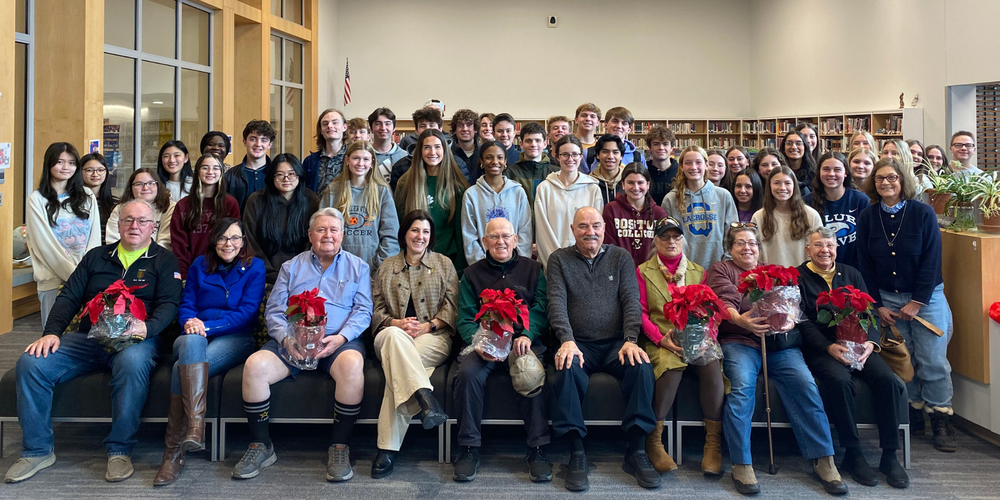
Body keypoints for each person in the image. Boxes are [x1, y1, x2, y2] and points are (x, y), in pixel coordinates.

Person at [6, 199, 182, 484]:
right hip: (89, 338)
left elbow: (170, 304)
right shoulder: (96, 256)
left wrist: (147, 329)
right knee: (31, 362)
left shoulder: (164, 260)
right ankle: (37, 450)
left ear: (153, 227)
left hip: (136, 340)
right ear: (118, 224)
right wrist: (51, 332)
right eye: (128, 220)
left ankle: (119, 449)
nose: (134, 226)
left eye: (142, 221)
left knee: (132, 362)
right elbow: (69, 297)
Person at [706, 224, 846, 496]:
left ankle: (823, 459)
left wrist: (786, 318)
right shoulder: (721, 270)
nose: (747, 248)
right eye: (740, 244)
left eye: (752, 243)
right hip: (740, 341)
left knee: (806, 386)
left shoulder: (773, 270)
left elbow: (793, 304)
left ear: (759, 248)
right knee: (741, 390)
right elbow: (725, 300)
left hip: (779, 345)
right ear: (730, 248)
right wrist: (741, 320)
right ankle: (741, 462)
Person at [234, 208, 372, 482]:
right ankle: (261, 445)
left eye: (334, 230)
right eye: (321, 230)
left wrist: (341, 338)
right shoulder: (291, 267)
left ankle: (339, 446)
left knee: (353, 365)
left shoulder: (359, 267)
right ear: (310, 235)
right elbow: (274, 311)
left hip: (337, 343)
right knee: (255, 365)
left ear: (343, 234)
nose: (328, 235)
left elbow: (363, 311)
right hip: (292, 343)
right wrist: (286, 338)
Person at [547, 207, 660, 492]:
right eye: (583, 226)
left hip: (616, 344)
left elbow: (631, 301)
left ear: (604, 228)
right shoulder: (559, 259)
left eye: (596, 225)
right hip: (578, 342)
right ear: (573, 230)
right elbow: (556, 303)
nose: (590, 232)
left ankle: (636, 451)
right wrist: (566, 340)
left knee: (642, 368)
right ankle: (576, 452)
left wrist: (631, 339)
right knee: (566, 368)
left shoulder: (621, 257)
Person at [857, 157, 956, 453]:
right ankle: (913, 413)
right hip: (887, 301)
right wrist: (876, 305)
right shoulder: (867, 216)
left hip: (926, 298)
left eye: (892, 178)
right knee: (904, 360)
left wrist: (916, 301)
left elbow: (932, 261)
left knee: (933, 361)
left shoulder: (923, 213)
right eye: (879, 179)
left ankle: (941, 416)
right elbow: (865, 264)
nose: (885, 183)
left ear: (903, 181)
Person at [154, 218, 264, 485]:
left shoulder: (254, 267)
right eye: (223, 238)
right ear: (214, 240)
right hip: (192, 335)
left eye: (235, 238)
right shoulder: (199, 265)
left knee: (186, 367)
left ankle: (173, 454)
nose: (229, 244)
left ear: (243, 241)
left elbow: (247, 312)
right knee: (191, 347)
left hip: (235, 337)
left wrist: (207, 326)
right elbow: (187, 303)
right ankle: (194, 428)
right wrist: (191, 323)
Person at [796, 227, 909, 489]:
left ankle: (890, 455)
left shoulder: (851, 273)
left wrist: (870, 342)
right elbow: (802, 321)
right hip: (824, 348)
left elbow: (870, 312)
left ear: (836, 248)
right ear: (807, 249)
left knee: (889, 381)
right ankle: (853, 453)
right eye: (818, 246)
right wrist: (828, 347)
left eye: (830, 245)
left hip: (861, 345)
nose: (825, 250)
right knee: (839, 381)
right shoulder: (800, 277)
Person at [452, 217, 552, 483]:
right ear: (484, 242)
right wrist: (480, 343)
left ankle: (538, 449)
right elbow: (464, 317)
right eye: (494, 237)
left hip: (522, 342)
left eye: (506, 236)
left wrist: (528, 336)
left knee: (530, 372)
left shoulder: (534, 270)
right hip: (484, 344)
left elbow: (541, 310)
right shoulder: (471, 274)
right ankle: (469, 448)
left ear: (516, 240)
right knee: (468, 374)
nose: (501, 242)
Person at [369, 210, 457, 478]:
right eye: (415, 230)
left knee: (399, 369)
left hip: (433, 337)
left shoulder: (444, 264)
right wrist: (396, 324)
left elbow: (452, 307)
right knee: (396, 341)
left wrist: (428, 326)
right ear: (404, 234)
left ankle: (387, 449)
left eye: (426, 232)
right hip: (389, 335)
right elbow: (375, 311)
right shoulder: (386, 266)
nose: (421, 236)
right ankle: (425, 399)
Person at [636, 217, 725, 475]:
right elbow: (640, 312)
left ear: (683, 240)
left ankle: (713, 443)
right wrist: (660, 338)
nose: (671, 242)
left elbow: (712, 311)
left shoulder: (699, 272)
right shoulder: (643, 271)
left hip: (696, 339)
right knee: (670, 364)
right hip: (661, 338)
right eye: (664, 237)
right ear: (655, 241)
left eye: (676, 237)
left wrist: (709, 334)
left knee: (711, 363)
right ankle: (654, 441)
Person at [26, 142, 102, 328]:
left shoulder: (87, 195)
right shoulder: (36, 199)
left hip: (85, 274)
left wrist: (89, 272)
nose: (66, 167)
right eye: (60, 162)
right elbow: (44, 245)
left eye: (71, 162)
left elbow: (94, 239)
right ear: (49, 164)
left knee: (86, 334)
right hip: (53, 278)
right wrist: (77, 277)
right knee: (54, 332)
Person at [395, 129, 470, 271]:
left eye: (437, 147)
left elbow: (461, 233)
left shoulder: (457, 186)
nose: (432, 152)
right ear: (419, 151)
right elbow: (399, 226)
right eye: (427, 147)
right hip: (412, 262)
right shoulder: (405, 184)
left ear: (445, 150)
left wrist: (460, 269)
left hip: (448, 262)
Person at [319, 141, 399, 273]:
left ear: (372, 163)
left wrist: (380, 266)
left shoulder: (382, 191)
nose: (360, 164)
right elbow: (322, 230)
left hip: (373, 269)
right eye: (356, 158)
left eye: (366, 159)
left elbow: (391, 235)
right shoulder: (333, 190)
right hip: (338, 269)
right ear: (347, 160)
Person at [244, 153, 321, 284]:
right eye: (280, 174)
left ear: (299, 175)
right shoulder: (256, 200)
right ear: (272, 176)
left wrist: (297, 271)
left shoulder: (311, 201)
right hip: (263, 276)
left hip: (302, 276)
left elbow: (313, 241)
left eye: (291, 174)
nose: (286, 179)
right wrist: (268, 272)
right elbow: (250, 240)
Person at [662, 145, 738, 271]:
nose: (693, 167)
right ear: (681, 166)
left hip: (719, 269)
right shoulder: (670, 199)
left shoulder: (723, 196)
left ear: (706, 165)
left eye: (698, 162)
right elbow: (668, 239)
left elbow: (732, 234)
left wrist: (726, 265)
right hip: (684, 269)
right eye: (688, 163)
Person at [534, 135, 603, 268]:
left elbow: (596, 230)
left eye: (574, 154)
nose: (570, 159)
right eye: (565, 154)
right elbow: (543, 233)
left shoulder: (592, 189)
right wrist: (556, 262)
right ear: (557, 156)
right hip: (552, 262)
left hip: (585, 263)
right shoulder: (544, 188)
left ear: (581, 156)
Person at [170, 154, 241, 278]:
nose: (210, 172)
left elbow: (235, 241)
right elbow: (179, 247)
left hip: (224, 271)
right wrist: (185, 276)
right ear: (197, 171)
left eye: (215, 168)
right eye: (205, 168)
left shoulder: (230, 204)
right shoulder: (183, 205)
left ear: (221, 172)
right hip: (192, 272)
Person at [461, 141, 531, 266]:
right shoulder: (471, 195)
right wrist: (481, 265)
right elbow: (469, 234)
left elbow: (525, 231)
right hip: (483, 266)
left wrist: (519, 263)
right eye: (489, 157)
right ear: (481, 161)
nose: (495, 162)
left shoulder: (518, 192)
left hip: (515, 264)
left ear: (505, 161)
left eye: (500, 157)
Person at [804, 151, 870, 269]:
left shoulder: (861, 201)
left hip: (854, 271)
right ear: (818, 173)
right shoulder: (806, 203)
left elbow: (867, 243)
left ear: (846, 173)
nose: (831, 174)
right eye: (826, 169)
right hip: (818, 270)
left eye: (837, 169)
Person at [751, 167, 822, 267]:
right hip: (771, 279)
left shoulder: (811, 215)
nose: (782, 188)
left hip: (804, 279)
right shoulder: (759, 217)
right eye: (777, 183)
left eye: (787, 183)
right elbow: (756, 254)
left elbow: (819, 250)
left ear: (794, 186)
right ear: (769, 186)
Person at [602, 164, 667, 267]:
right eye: (630, 183)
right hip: (620, 271)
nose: (636, 187)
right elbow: (609, 247)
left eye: (640, 183)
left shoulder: (659, 213)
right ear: (623, 184)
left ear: (648, 185)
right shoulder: (611, 209)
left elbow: (662, 248)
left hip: (650, 273)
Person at [390, 107, 470, 189]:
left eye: (432, 125)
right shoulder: (401, 167)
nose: (427, 129)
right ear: (416, 130)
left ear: (440, 129)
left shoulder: (458, 165)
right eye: (422, 126)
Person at [106, 167, 175, 249]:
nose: (145, 188)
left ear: (158, 186)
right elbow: (112, 239)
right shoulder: (120, 209)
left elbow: (165, 242)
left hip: (157, 258)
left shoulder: (170, 208)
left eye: (151, 183)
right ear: (131, 188)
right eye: (139, 184)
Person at [506, 124, 558, 216]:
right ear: (521, 144)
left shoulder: (555, 173)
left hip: (547, 226)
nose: (533, 144)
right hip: (519, 227)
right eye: (528, 141)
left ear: (545, 144)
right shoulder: (510, 173)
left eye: (537, 140)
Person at [224, 121, 274, 212]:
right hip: (238, 225)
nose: (258, 144)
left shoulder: (276, 175)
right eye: (253, 139)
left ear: (270, 145)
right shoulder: (229, 176)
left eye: (264, 140)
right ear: (244, 142)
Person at [301, 109, 346, 193]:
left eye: (335, 122)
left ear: (344, 127)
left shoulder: (353, 158)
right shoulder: (310, 161)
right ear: (321, 130)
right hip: (317, 206)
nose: (329, 126)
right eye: (325, 123)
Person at [80, 152, 117, 243]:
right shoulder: (72, 202)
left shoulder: (116, 204)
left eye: (100, 170)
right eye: (89, 170)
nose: (95, 174)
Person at [368, 108, 407, 180]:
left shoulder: (405, 156)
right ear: (371, 128)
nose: (383, 128)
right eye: (378, 124)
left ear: (394, 128)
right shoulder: (364, 155)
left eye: (387, 124)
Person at [645, 125, 679, 203]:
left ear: (672, 148)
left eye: (665, 144)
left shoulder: (681, 172)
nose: (661, 148)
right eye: (656, 144)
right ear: (650, 148)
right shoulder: (643, 171)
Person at [590, 134, 626, 204]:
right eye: (605, 152)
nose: (610, 156)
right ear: (598, 155)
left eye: (615, 152)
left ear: (621, 156)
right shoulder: (589, 183)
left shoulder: (629, 182)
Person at [450, 108, 482, 182]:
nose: (464, 129)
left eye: (469, 125)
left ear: (475, 129)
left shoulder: (484, 152)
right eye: (460, 125)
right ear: (455, 130)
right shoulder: (448, 153)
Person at [782, 130, 816, 197]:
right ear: (783, 147)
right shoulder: (778, 171)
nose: (794, 147)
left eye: (798, 143)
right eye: (789, 143)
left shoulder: (814, 173)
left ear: (805, 147)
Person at [573, 103, 601, 170]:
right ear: (576, 120)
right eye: (584, 115)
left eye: (592, 116)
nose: (588, 119)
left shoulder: (601, 146)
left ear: (598, 122)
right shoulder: (567, 144)